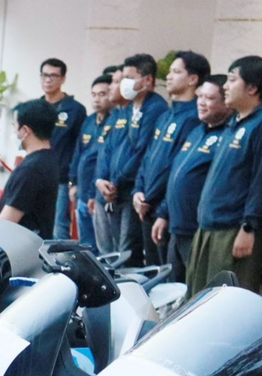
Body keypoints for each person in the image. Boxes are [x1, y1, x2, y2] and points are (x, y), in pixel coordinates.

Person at [190, 56, 262, 294]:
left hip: (233, 230)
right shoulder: (235, 122)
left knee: (226, 301)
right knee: (198, 299)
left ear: (252, 88)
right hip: (209, 225)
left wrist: (249, 227)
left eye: (232, 80)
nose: (225, 86)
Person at [153, 75, 230, 287]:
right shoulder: (196, 131)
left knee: (197, 290)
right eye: (200, 96)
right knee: (173, 289)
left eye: (210, 98)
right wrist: (163, 213)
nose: (201, 102)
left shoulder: (226, 137)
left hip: (198, 230)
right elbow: (177, 176)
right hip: (176, 228)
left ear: (227, 103)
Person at [132, 51, 206, 266]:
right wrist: (138, 191)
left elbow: (176, 169)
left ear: (193, 79)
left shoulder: (193, 118)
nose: (169, 76)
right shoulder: (166, 115)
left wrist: (160, 206)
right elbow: (148, 158)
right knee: (152, 270)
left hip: (166, 210)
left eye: (176, 72)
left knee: (168, 274)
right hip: (146, 207)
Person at [96, 53, 167, 265]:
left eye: (129, 78)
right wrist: (102, 179)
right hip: (115, 190)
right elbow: (109, 148)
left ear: (147, 80)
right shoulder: (127, 110)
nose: (123, 84)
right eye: (122, 78)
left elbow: (142, 151)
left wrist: (117, 181)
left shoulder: (156, 108)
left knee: (127, 253)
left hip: (130, 190)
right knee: (113, 254)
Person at [29, 58, 85, 240]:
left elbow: (80, 147)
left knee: (58, 227)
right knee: (32, 225)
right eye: (44, 75)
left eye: (53, 76)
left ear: (63, 79)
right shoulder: (35, 108)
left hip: (60, 179)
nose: (48, 80)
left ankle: (59, 259)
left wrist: (74, 180)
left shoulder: (75, 110)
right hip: (35, 175)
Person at [0, 99, 61, 237]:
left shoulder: (30, 169)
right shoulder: (49, 158)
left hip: (19, 244)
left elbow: (6, 222)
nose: (13, 132)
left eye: (15, 126)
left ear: (25, 130)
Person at [74, 70, 115, 251]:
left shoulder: (115, 122)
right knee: (85, 246)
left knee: (102, 248)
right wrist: (73, 183)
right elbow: (79, 152)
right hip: (81, 192)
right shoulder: (89, 120)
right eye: (94, 94)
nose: (97, 99)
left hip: (98, 194)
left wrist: (93, 193)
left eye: (102, 94)